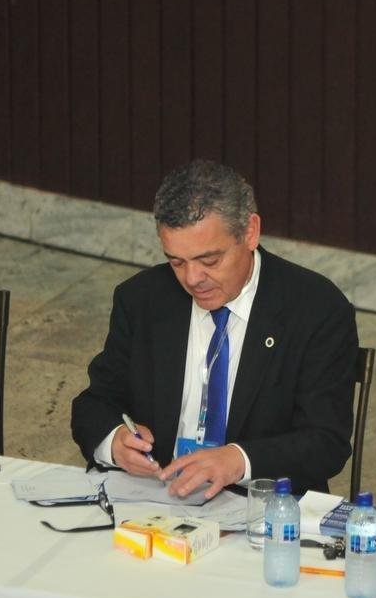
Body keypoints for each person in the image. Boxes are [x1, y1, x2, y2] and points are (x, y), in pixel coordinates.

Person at [71, 159, 358, 498]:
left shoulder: (315, 309)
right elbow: (93, 404)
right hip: (156, 499)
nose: (192, 279)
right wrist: (115, 440)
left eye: (209, 261)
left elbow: (326, 442)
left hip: (261, 507)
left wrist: (238, 460)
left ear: (250, 232)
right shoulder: (142, 300)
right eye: (176, 261)